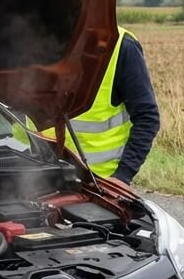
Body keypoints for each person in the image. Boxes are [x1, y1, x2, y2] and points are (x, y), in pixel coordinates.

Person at [67, 26, 161, 183]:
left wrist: (122, 176)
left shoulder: (121, 46)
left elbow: (147, 117)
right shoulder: (32, 39)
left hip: (98, 183)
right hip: (33, 177)